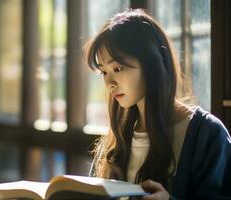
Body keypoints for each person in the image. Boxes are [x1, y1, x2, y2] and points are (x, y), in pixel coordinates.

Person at [84, 9, 231, 200]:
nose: (109, 83)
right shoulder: (117, 136)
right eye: (104, 72)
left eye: (118, 68)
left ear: (152, 64)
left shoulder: (207, 133)